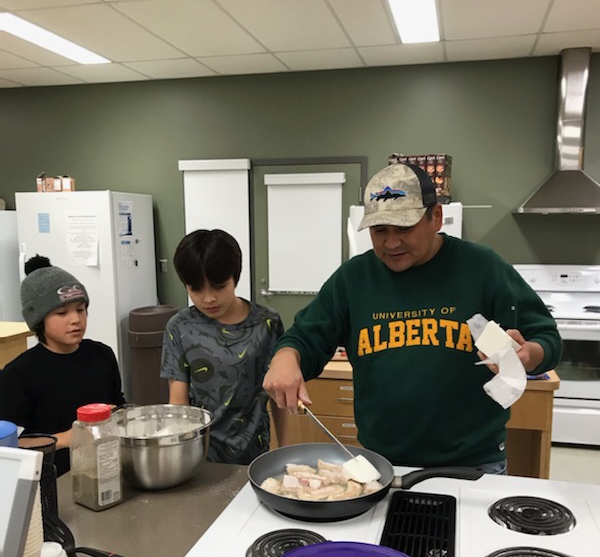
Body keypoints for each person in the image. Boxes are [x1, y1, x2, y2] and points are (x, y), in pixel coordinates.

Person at [263, 161, 562, 473]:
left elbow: (547, 339)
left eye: (404, 229)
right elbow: (305, 338)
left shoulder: (483, 268)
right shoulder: (353, 279)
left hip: (474, 463)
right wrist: (286, 357)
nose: (391, 243)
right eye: (379, 231)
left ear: (436, 217)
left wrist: (528, 355)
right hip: (382, 462)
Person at [160, 229, 288, 464]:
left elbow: (278, 393)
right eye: (196, 289)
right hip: (201, 457)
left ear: (235, 277)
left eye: (218, 286)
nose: (208, 299)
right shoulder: (179, 327)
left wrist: (285, 451)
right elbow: (178, 404)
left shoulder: (267, 323)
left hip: (255, 454)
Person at [0, 256, 125, 476]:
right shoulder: (18, 374)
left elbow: (118, 405)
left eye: (81, 309)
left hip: (105, 468)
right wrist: (67, 438)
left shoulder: (102, 355)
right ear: (38, 320)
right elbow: (13, 446)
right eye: (62, 313)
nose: (76, 319)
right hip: (50, 481)